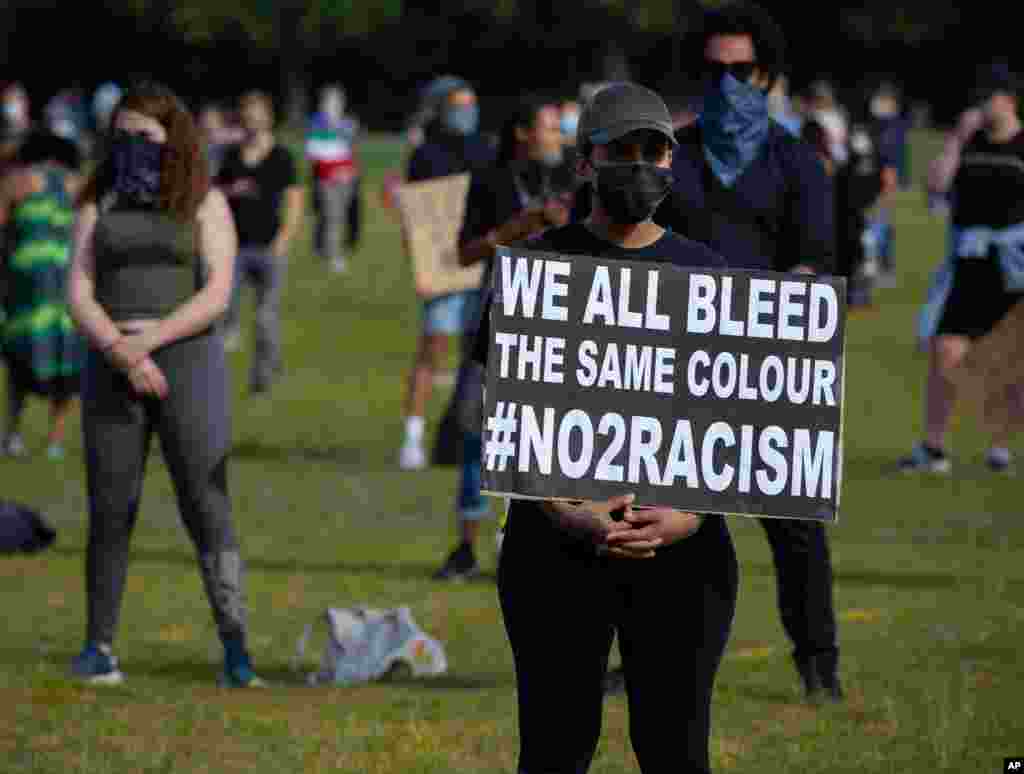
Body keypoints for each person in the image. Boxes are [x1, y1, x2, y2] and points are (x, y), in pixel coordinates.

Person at [473, 81, 735, 774]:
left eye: (656, 150)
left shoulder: (707, 273)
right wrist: (570, 512)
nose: (642, 165)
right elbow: (507, 415)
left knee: (676, 753)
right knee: (554, 751)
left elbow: (737, 425)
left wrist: (689, 516)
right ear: (586, 161)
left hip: (683, 555)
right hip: (553, 549)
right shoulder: (535, 271)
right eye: (624, 150)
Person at [654, 1, 842, 702]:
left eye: (742, 70)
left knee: (795, 530)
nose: (729, 83)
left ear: (766, 74)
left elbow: (815, 264)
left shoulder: (799, 164)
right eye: (715, 70)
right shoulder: (674, 156)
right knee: (661, 523)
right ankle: (648, 657)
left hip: (770, 371)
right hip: (680, 367)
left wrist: (756, 305)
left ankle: (818, 665)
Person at [66, 81, 262, 687]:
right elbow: (78, 288)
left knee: (207, 506)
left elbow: (217, 293)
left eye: (143, 137)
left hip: (186, 363)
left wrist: (147, 344)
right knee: (110, 508)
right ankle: (98, 646)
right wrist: (120, 351)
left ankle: (236, 650)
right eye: (120, 136)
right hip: (111, 364)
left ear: (171, 139)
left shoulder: (202, 201)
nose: (130, 147)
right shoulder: (97, 199)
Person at [432, 97, 575, 580]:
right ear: (523, 133)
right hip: (497, 309)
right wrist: (514, 230)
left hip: (558, 316)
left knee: (548, 435)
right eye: (551, 126)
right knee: (476, 429)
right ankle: (467, 547)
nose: (559, 136)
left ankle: (538, 546)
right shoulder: (490, 181)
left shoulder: (576, 181)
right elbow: (465, 253)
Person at [900, 61, 1024, 476]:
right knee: (945, 352)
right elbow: (935, 185)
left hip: (1014, 267)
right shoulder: (968, 142)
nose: (983, 106)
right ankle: (933, 447)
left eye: (989, 97)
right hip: (968, 265)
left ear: (1007, 100)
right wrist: (956, 137)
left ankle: (999, 447)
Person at [397, 76, 495, 471]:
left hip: (483, 262)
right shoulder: (425, 155)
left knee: (477, 357)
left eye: (470, 103)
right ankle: (412, 438)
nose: (465, 111)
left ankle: (466, 435)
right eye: (458, 104)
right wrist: (420, 264)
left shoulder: (485, 150)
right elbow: (416, 215)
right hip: (443, 265)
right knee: (433, 348)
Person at [0, 129, 85, 459]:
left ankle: (13, 434)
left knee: (19, 359)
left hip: (26, 284)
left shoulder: (16, 181)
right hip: (66, 282)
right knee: (68, 365)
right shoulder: (77, 185)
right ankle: (56, 441)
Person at [216, 90, 303, 388]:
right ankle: (214, 380)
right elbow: (215, 198)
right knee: (223, 313)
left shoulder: (281, 157)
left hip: (269, 247)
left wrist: (283, 240)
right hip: (235, 249)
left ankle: (263, 377)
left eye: (257, 114)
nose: (252, 121)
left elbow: (294, 201)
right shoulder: (230, 157)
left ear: (267, 118)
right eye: (247, 115)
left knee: (266, 318)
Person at [306, 84, 360, 274]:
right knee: (332, 216)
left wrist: (350, 171)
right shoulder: (316, 123)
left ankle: (322, 247)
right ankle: (334, 256)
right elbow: (313, 152)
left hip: (346, 178)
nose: (333, 105)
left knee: (339, 216)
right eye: (329, 101)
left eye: (337, 101)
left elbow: (351, 151)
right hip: (326, 178)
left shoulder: (348, 123)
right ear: (322, 103)